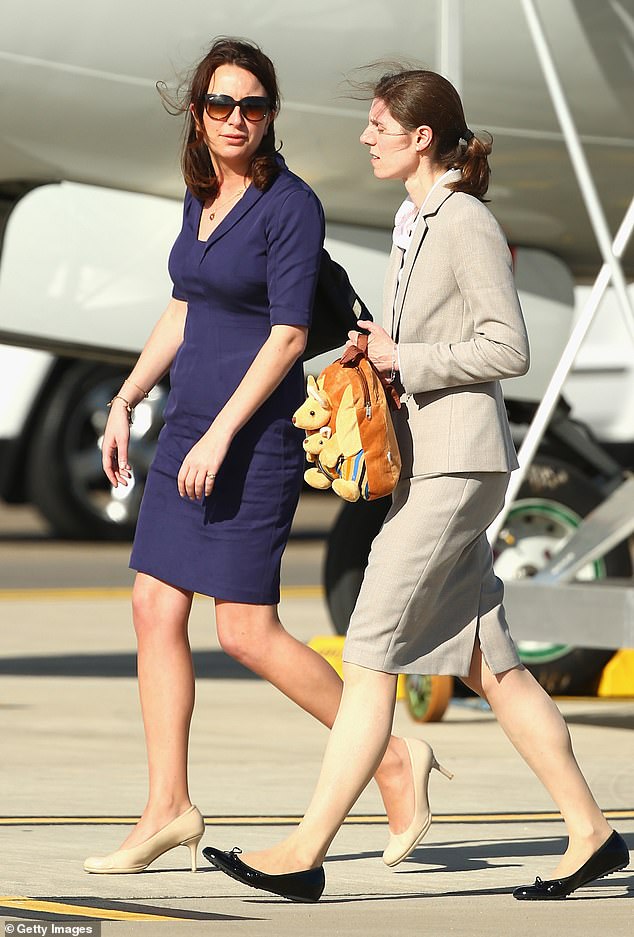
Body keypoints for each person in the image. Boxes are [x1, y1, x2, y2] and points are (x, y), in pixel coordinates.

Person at [203, 66, 630, 903]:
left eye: (378, 125)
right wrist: (379, 349)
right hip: (427, 457)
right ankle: (593, 833)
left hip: (457, 462)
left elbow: (509, 347)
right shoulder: (414, 218)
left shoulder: (463, 218)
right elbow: (433, 336)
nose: (366, 137)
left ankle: (304, 850)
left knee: (368, 650)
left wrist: (413, 359)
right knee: (492, 662)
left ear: (421, 136)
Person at [84, 40, 439, 876]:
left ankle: (392, 758)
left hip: (253, 438)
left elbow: (286, 336)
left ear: (270, 115)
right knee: (151, 606)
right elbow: (184, 304)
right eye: (220, 106)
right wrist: (126, 399)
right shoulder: (202, 190)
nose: (236, 120)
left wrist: (221, 435)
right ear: (197, 113)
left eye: (253, 107)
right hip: (186, 428)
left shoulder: (291, 206)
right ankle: (168, 806)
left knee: (244, 629)